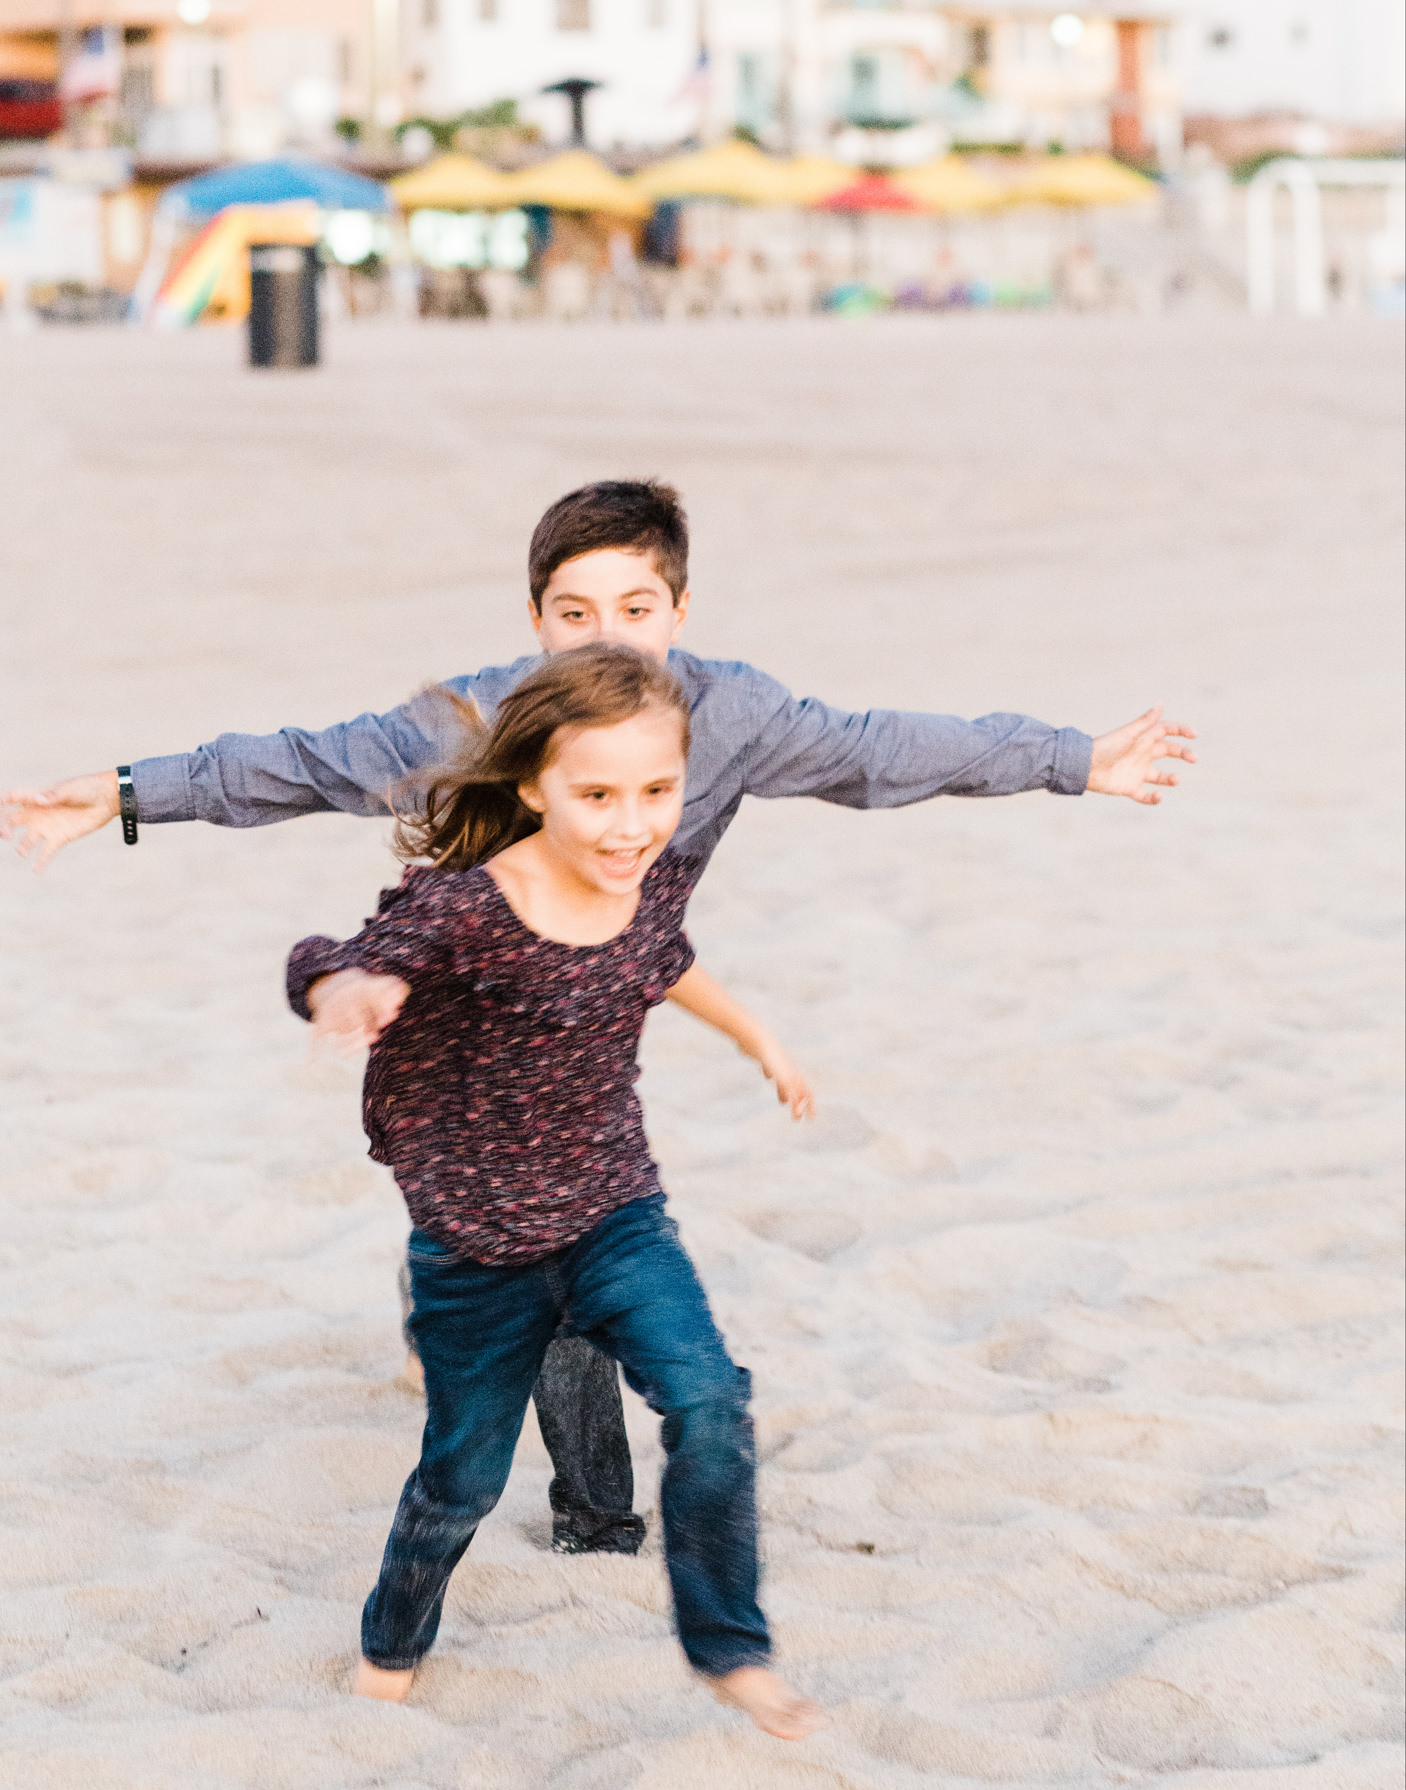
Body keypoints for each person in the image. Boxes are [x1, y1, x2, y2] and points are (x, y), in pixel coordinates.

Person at [1, 479, 1196, 1556]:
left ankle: (585, 1506)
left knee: (565, 1222)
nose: (607, 633)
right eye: (574, 612)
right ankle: (551, 1446)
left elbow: (883, 750)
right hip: (459, 992)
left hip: (598, 987)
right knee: (515, 1235)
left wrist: (1072, 757)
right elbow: (302, 764)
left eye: (636, 605)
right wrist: (119, 795)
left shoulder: (733, 715)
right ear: (536, 622)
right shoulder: (478, 714)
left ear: (679, 610)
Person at [292, 643, 821, 1740]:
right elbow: (350, 953)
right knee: (462, 1484)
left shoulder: (640, 889)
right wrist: (350, 990)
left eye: (657, 792)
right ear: (532, 785)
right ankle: (392, 1640)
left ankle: (729, 1648)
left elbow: (665, 963)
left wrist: (758, 1036)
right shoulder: (467, 907)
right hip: (476, 1250)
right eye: (596, 795)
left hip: (614, 1215)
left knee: (712, 1402)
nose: (631, 824)